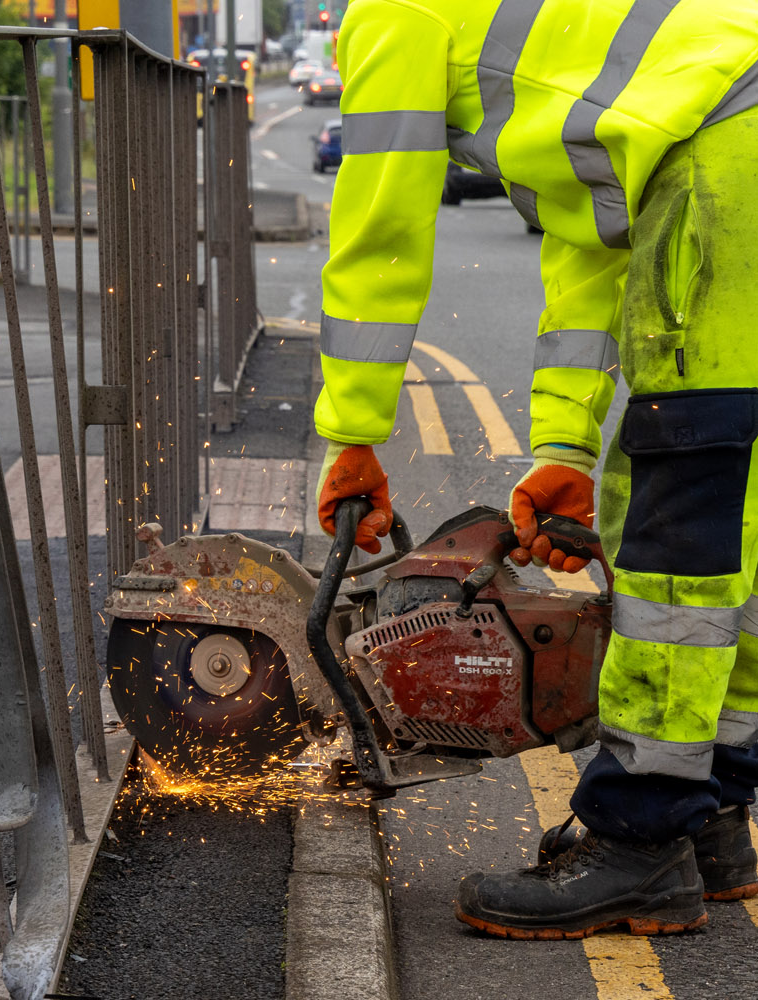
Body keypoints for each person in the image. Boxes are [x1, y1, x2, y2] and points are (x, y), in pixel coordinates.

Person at [312, 0, 758, 939]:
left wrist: (352, 431)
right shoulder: (560, 37)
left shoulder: (396, 15)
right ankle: (710, 813)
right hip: (725, 139)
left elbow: (381, 224)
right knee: (735, 512)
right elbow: (592, 247)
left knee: (677, 521)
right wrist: (561, 449)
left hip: (729, 159)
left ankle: (640, 840)